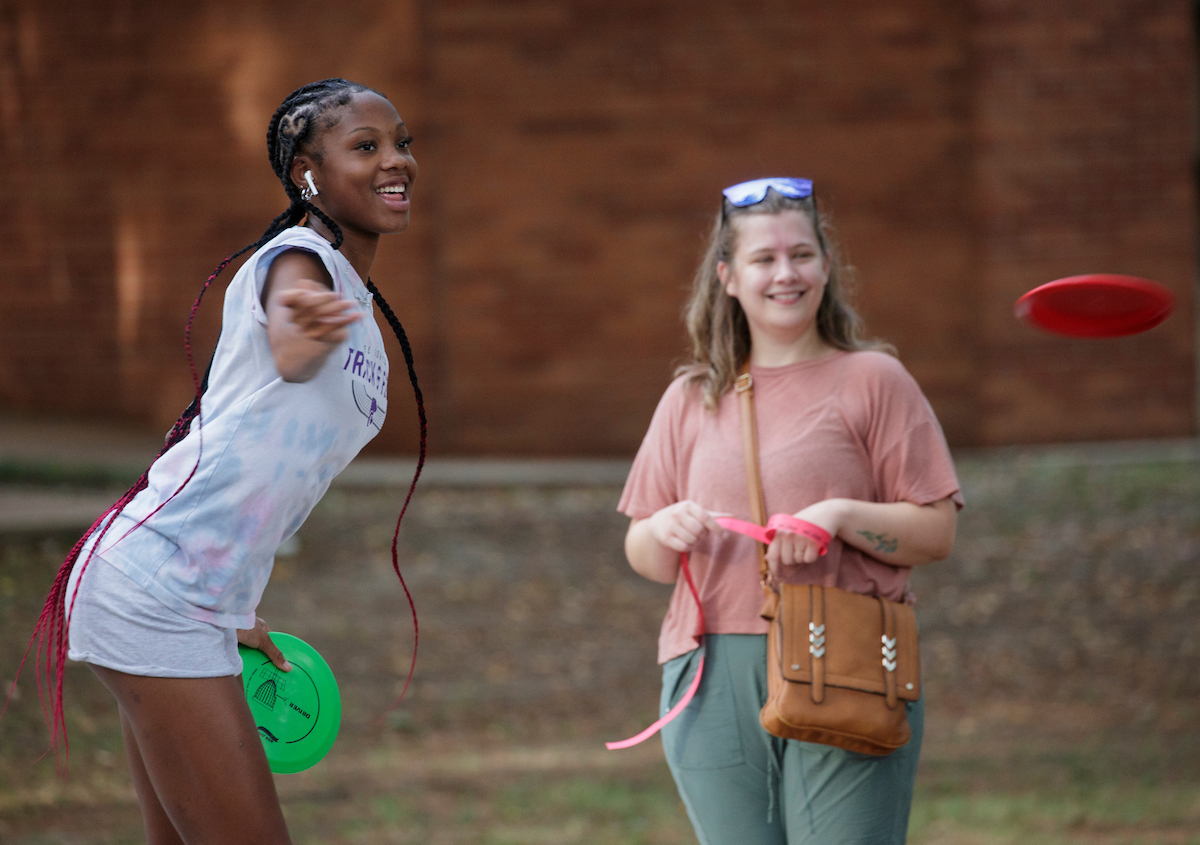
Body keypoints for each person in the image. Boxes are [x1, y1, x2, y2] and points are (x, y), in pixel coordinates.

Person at [23, 78, 424, 845]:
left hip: (196, 597)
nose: (395, 161)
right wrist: (299, 335)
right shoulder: (299, 260)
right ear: (307, 172)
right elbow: (291, 328)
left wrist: (235, 605)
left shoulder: (358, 306)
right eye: (365, 147)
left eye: (402, 142)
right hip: (154, 590)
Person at [618, 178, 962, 844]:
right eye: (764, 259)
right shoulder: (691, 397)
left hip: (849, 659)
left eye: (801, 255)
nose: (786, 273)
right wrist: (664, 528)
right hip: (709, 668)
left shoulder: (874, 380)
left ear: (827, 268)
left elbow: (937, 530)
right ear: (728, 277)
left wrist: (835, 514)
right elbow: (646, 553)